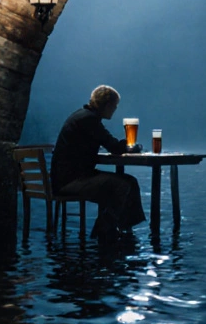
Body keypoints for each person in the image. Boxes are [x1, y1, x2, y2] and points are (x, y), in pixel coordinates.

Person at [51, 85, 147, 242]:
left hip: (66, 177)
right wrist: (134, 146)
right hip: (70, 181)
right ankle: (104, 231)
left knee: (130, 182)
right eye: (114, 106)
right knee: (122, 185)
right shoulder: (88, 120)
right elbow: (113, 146)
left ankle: (123, 229)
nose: (114, 110)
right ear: (107, 105)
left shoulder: (81, 116)